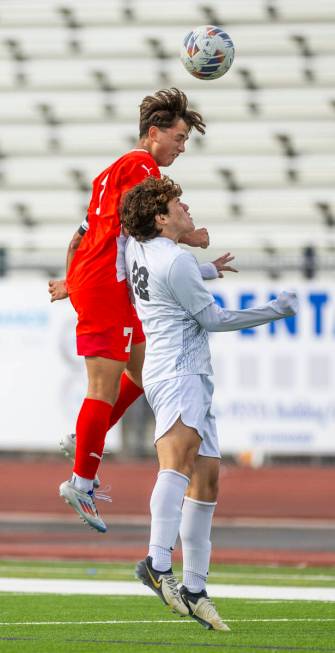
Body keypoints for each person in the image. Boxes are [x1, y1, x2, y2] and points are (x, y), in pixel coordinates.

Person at [121, 175, 298, 631]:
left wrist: (206, 264)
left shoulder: (141, 247)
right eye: (178, 204)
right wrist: (276, 309)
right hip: (180, 372)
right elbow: (213, 320)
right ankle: (158, 564)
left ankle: (196, 589)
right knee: (177, 467)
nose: (187, 208)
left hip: (179, 373)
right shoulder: (175, 261)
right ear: (160, 218)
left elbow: (167, 266)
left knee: (207, 480)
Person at [57, 88, 233, 533]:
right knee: (102, 386)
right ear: (153, 133)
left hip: (96, 280)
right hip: (105, 286)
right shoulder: (141, 167)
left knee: (142, 372)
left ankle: (84, 443)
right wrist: (188, 238)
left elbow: (80, 236)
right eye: (178, 137)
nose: (182, 146)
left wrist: (70, 278)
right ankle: (81, 481)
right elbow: (147, 225)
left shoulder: (109, 172)